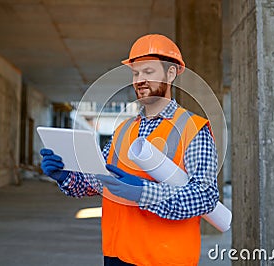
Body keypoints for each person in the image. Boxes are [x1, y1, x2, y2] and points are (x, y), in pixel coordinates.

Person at [40, 34, 219, 266]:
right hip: (118, 255)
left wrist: (143, 193)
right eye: (136, 73)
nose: (139, 80)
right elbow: (101, 181)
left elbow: (205, 197)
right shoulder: (124, 129)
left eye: (149, 72)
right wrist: (65, 175)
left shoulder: (193, 129)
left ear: (171, 74)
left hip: (165, 259)